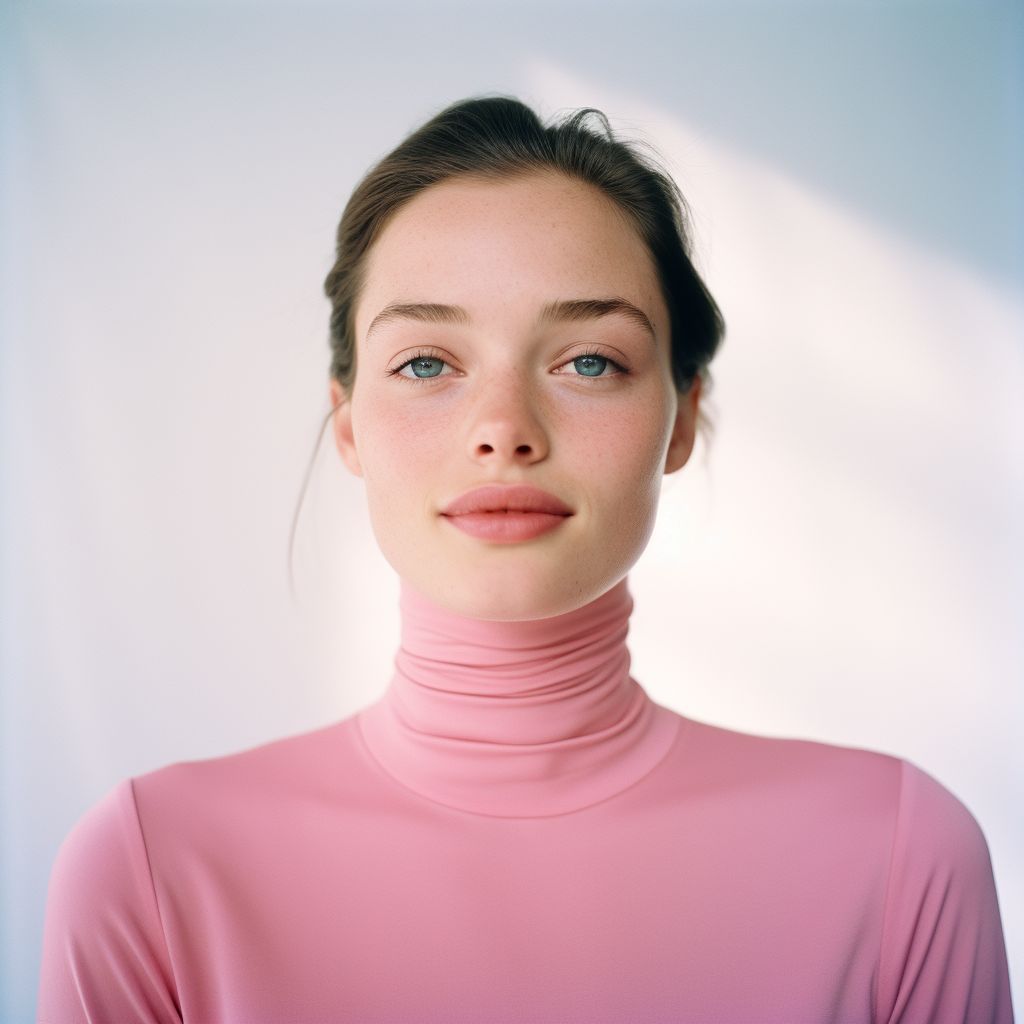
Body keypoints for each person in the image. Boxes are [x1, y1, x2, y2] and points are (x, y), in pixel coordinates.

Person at [38, 97, 1012, 1023]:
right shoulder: (149, 870)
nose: (503, 430)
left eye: (588, 361)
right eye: (427, 363)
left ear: (684, 416)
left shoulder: (897, 857)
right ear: (347, 423)